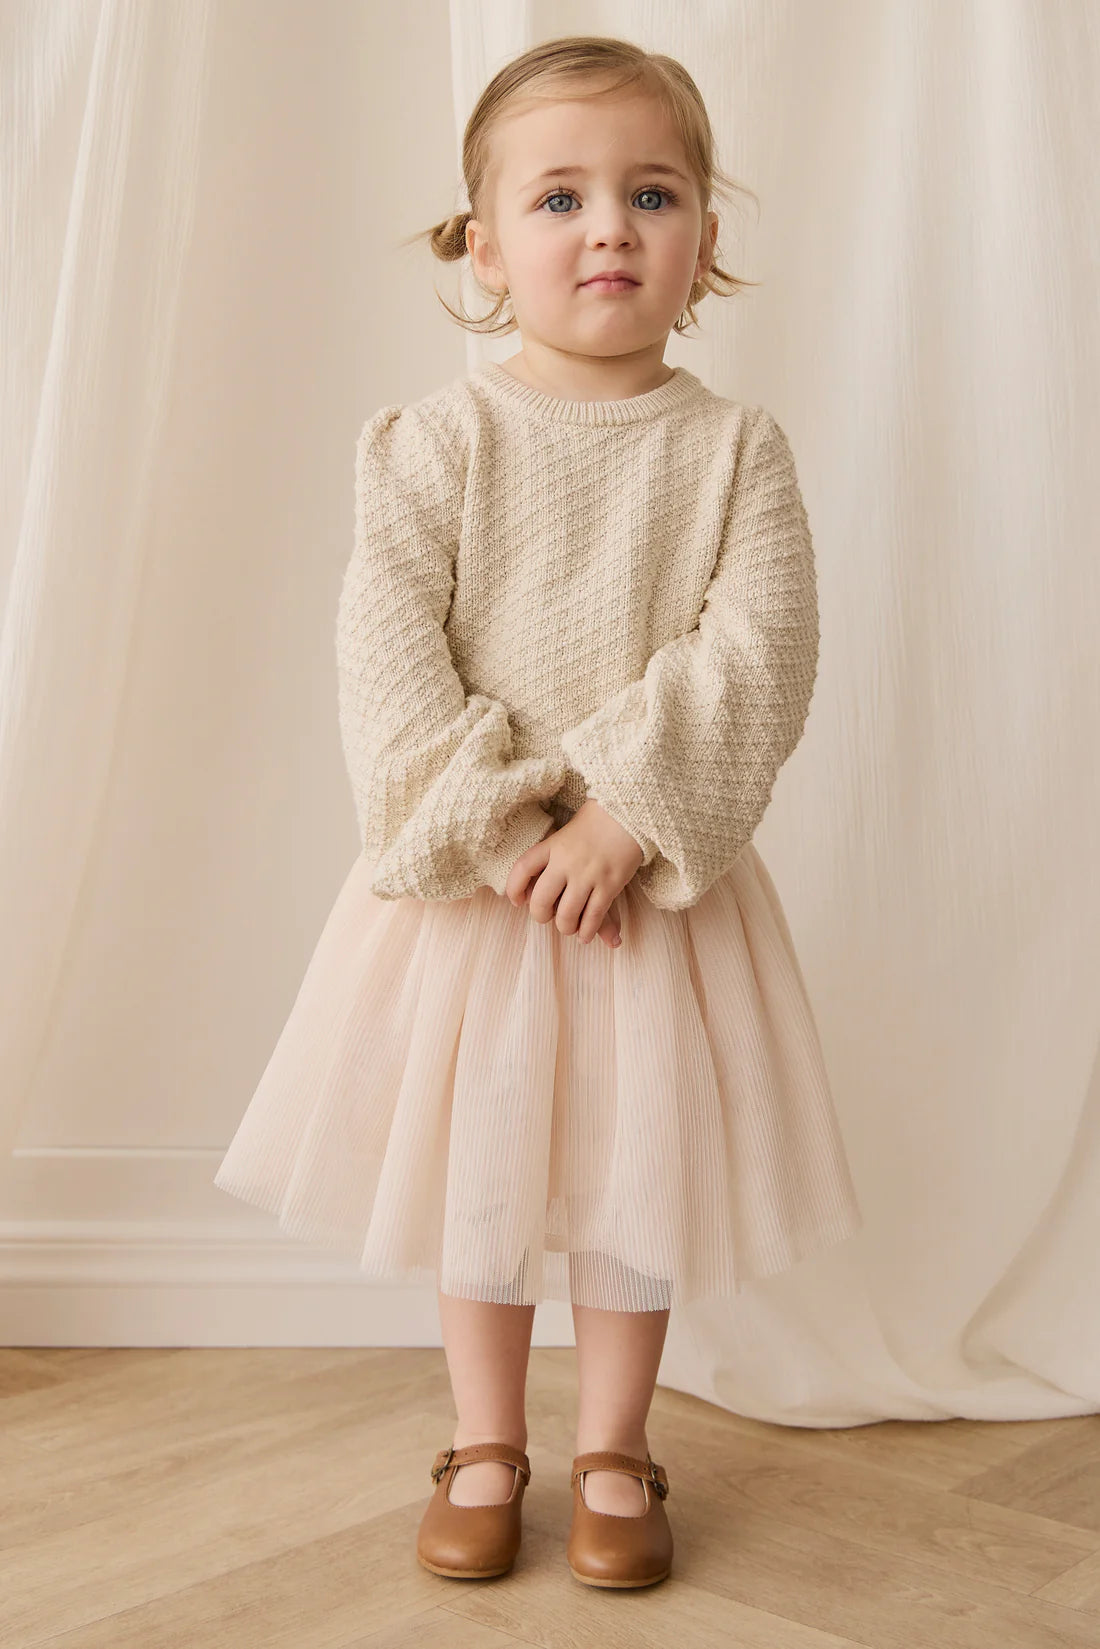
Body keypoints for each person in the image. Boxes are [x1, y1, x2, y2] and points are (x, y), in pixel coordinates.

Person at [213, 34, 864, 1588]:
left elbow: (762, 651)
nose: (610, 227)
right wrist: (514, 832)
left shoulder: (733, 452)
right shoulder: (432, 444)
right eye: (561, 197)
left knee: (640, 1172)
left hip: (654, 894)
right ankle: (488, 1435)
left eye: (653, 194)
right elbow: (388, 660)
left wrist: (625, 816)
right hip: (480, 896)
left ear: (704, 241)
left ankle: (618, 1442)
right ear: (487, 247)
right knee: (485, 1172)